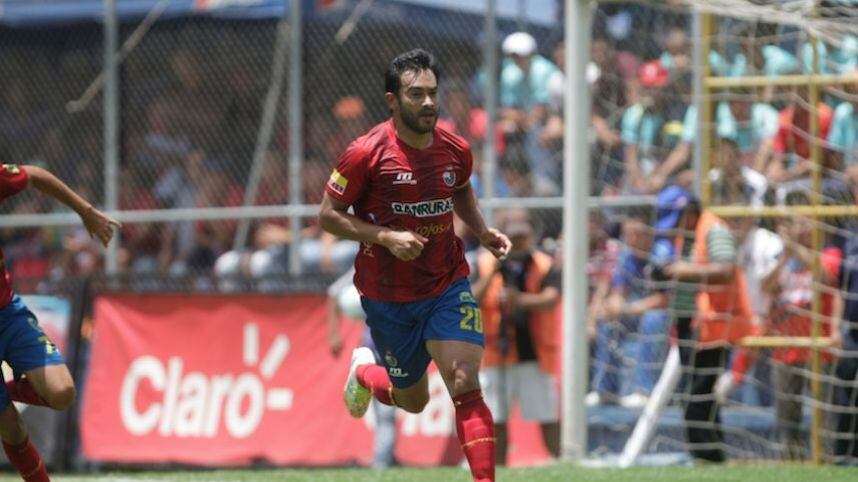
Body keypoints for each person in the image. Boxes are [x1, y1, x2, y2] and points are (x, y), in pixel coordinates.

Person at [318, 49, 511, 482]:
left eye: (432, 93)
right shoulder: (365, 153)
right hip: (389, 297)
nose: (428, 102)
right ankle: (365, 373)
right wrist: (385, 237)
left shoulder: (456, 148)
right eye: (416, 94)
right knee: (413, 401)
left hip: (446, 283)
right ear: (393, 100)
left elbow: (461, 189)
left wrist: (481, 231)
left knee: (464, 379)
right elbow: (328, 216)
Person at [0, 163, 119, 481]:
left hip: (8, 315)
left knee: (62, 393)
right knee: (11, 427)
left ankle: (7, 391)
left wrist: (86, 212)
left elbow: (35, 175)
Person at [664, 202, 753, 463]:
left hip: (712, 325)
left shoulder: (714, 229)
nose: (673, 228)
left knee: (697, 393)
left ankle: (706, 456)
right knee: (697, 393)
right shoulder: (690, 233)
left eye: (675, 220)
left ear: (689, 213)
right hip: (695, 323)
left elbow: (726, 269)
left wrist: (686, 270)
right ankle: (710, 453)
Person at [472, 217, 560, 464]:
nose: (519, 243)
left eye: (523, 237)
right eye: (514, 238)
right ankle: (498, 469)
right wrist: (493, 274)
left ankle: (560, 462)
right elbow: (471, 298)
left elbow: (551, 298)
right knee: (496, 418)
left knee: (547, 414)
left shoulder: (544, 263)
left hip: (534, 354)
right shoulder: (484, 263)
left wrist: (518, 300)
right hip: (494, 354)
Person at [587, 213, 670, 407]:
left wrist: (628, 308)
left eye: (636, 234)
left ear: (649, 234)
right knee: (609, 323)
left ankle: (644, 390)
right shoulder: (626, 257)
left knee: (653, 320)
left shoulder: (663, 253)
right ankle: (606, 391)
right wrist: (614, 306)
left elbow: (664, 299)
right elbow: (619, 291)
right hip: (635, 312)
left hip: (665, 315)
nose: (631, 239)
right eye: (627, 234)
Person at [326, 268, 397, 469]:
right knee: (386, 410)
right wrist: (334, 334)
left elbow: (333, 293)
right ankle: (382, 461)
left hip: (386, 347)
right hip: (382, 348)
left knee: (389, 407)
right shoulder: (367, 265)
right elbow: (334, 293)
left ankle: (383, 458)